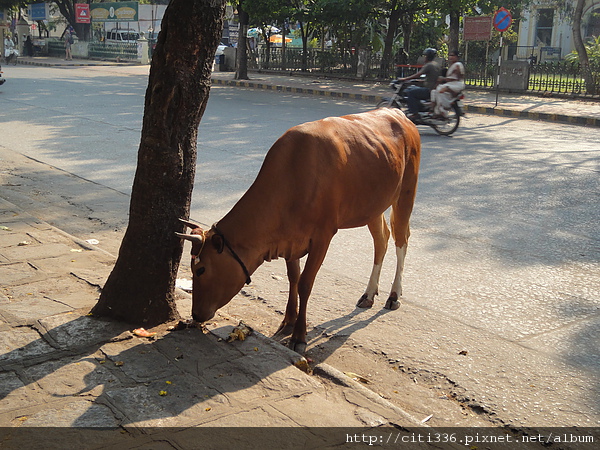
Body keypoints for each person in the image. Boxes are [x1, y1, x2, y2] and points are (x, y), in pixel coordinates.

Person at [397, 48, 441, 120]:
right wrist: (418, 81)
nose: (424, 57)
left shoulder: (429, 65)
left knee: (410, 92)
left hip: (428, 90)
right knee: (413, 88)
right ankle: (419, 108)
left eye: (425, 56)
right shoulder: (436, 65)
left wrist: (404, 79)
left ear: (427, 56)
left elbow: (418, 74)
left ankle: (415, 113)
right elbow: (430, 78)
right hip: (433, 89)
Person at [430, 50, 465, 118]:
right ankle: (434, 111)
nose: (451, 57)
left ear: (457, 57)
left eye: (453, 55)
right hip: (451, 84)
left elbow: (457, 77)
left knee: (439, 89)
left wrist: (444, 79)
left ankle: (442, 109)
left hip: (456, 84)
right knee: (433, 92)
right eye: (450, 55)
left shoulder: (458, 65)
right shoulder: (452, 65)